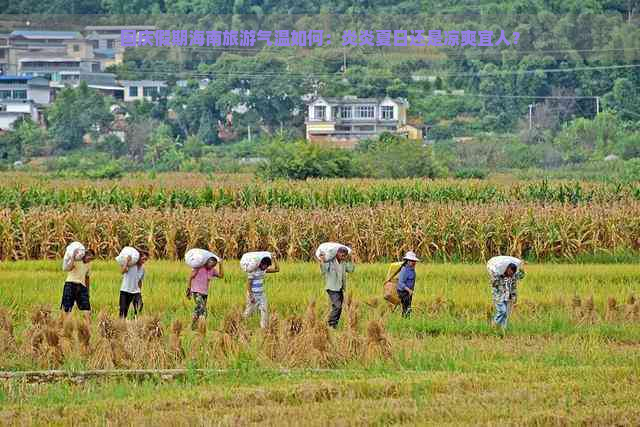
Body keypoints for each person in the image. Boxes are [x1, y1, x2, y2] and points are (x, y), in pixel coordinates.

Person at [319, 247, 355, 329]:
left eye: (345, 256)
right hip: (331, 288)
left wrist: (352, 259)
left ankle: (334, 325)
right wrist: (322, 260)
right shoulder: (330, 261)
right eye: (342, 255)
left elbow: (351, 270)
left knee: (339, 307)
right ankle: (330, 324)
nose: (343, 257)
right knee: (337, 306)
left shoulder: (344, 263)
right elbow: (323, 270)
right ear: (337, 253)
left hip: (340, 288)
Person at [187, 256, 224, 330]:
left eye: (214, 265)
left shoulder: (212, 270)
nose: (212, 266)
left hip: (205, 293)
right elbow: (190, 277)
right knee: (203, 310)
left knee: (197, 310)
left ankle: (192, 327)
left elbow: (221, 276)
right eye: (211, 264)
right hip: (196, 292)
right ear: (207, 262)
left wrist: (221, 264)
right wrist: (188, 290)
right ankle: (202, 328)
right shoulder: (199, 267)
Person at [243, 256, 279, 329]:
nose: (266, 267)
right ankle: (240, 323)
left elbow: (277, 269)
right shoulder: (252, 270)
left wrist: (274, 259)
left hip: (261, 294)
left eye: (267, 266)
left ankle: (264, 328)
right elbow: (248, 285)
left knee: (264, 310)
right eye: (265, 265)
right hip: (253, 294)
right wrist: (251, 296)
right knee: (249, 311)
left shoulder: (264, 270)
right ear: (261, 264)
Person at [61, 248, 95, 321]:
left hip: (82, 287)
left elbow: (87, 277)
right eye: (90, 258)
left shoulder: (89, 264)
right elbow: (67, 268)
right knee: (66, 309)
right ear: (86, 254)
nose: (90, 260)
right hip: (70, 284)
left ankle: (87, 328)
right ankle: (63, 327)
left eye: (92, 259)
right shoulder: (76, 259)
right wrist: (73, 257)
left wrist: (87, 291)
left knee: (87, 310)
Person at [490, 262, 525, 330]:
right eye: (510, 271)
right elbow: (493, 284)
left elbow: (521, 276)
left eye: (512, 272)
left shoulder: (513, 277)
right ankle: (494, 325)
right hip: (498, 297)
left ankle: (503, 329)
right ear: (507, 269)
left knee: (506, 314)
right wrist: (495, 275)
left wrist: (521, 267)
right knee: (502, 311)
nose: (510, 273)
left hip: (508, 297)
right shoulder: (499, 275)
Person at [119, 250, 148, 319]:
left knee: (139, 306)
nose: (144, 261)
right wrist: (126, 261)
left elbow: (140, 281)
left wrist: (140, 291)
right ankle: (121, 325)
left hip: (136, 292)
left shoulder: (143, 269)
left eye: (146, 260)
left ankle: (135, 322)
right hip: (125, 290)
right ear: (138, 258)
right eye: (143, 259)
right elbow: (122, 271)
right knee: (123, 310)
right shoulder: (131, 265)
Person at [396, 251, 420, 318]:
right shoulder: (404, 270)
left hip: (409, 292)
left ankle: (406, 320)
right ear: (408, 261)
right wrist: (408, 290)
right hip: (403, 292)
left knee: (408, 307)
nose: (414, 263)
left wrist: (411, 290)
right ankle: (405, 320)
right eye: (412, 261)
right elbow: (400, 283)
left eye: (414, 261)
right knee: (406, 308)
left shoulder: (412, 270)